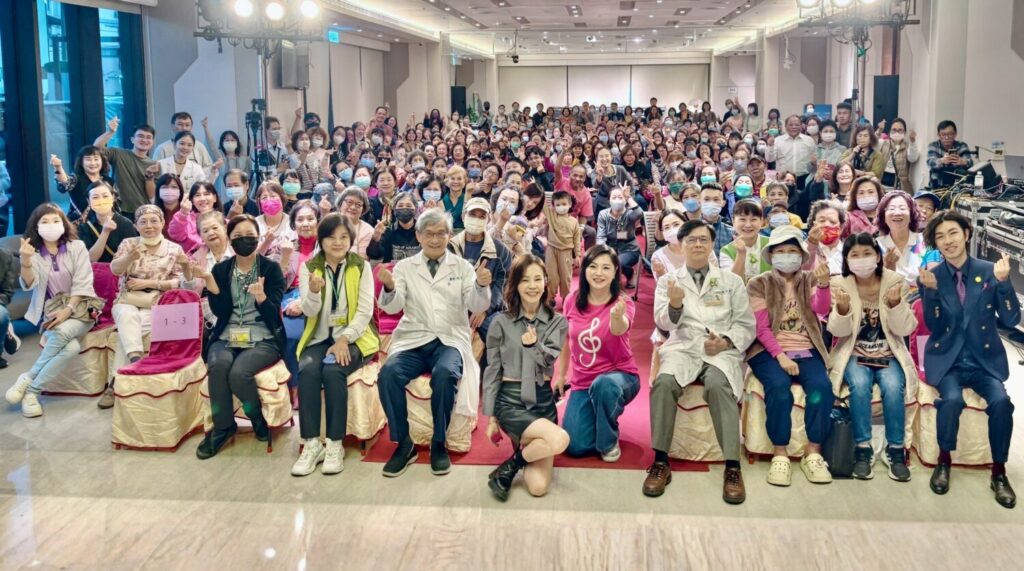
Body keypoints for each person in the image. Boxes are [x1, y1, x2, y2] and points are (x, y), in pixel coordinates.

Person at [375, 208, 492, 477]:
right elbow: (393, 307)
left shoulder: (462, 267)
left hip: (449, 338)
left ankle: (439, 442)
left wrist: (480, 285)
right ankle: (404, 443)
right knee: (388, 374)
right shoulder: (405, 267)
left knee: (445, 373)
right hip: (414, 338)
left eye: (441, 233)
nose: (435, 239)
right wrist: (390, 287)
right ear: (418, 236)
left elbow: (476, 305)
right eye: (429, 234)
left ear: (450, 235)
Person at [647, 219, 755, 502]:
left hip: (720, 350)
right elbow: (662, 324)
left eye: (703, 240)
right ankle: (660, 461)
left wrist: (726, 341)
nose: (698, 244)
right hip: (683, 347)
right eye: (691, 240)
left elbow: (746, 323)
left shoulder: (731, 281)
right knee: (663, 384)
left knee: (719, 386)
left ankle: (732, 466)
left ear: (712, 245)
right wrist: (675, 305)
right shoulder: (668, 281)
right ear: (681, 245)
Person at [918, 210, 1020, 509]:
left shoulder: (989, 271)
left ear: (966, 233)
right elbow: (934, 326)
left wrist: (1004, 282)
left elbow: (1011, 319)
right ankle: (944, 460)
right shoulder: (933, 276)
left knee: (1001, 402)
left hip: (983, 360)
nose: (948, 241)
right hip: (948, 359)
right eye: (940, 236)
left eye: (953, 233)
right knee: (950, 401)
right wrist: (931, 293)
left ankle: (999, 471)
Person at [190, 214, 285, 459]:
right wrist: (211, 284)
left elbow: (273, 313)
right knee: (218, 365)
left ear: (258, 237)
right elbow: (221, 312)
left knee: (238, 374)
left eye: (250, 236)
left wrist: (262, 298)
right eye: (238, 236)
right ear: (230, 239)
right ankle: (223, 427)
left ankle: (256, 417)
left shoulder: (270, 269)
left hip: (263, 336)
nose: (244, 240)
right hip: (227, 334)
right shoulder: (222, 269)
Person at [291, 214, 379, 477]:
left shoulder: (360, 267)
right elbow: (309, 310)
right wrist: (313, 292)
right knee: (307, 369)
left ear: (351, 240)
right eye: (331, 237)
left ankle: (334, 443)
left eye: (343, 237)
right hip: (319, 338)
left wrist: (344, 339)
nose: (338, 243)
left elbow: (364, 311)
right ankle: (311, 443)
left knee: (333, 370)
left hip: (354, 338)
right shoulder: (309, 267)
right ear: (321, 240)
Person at [746, 225, 834, 486]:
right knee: (779, 387)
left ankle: (813, 451)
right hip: (767, 351)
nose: (787, 256)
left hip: (806, 348)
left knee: (821, 388)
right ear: (772, 255)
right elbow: (761, 328)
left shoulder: (809, 279)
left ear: (801, 255)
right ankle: (780, 453)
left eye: (792, 251)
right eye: (781, 251)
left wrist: (824, 285)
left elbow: (821, 309)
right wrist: (781, 356)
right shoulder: (759, 283)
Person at [827, 232, 918, 482]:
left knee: (893, 386)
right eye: (854, 255)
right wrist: (842, 309)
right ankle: (862, 448)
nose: (861, 259)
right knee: (859, 385)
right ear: (846, 260)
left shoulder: (895, 282)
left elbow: (905, 329)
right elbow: (837, 331)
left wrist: (895, 305)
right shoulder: (840, 284)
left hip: (888, 353)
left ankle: (896, 449)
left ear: (877, 256)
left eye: (867, 253)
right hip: (854, 353)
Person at [483, 255, 570, 501]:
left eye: (537, 279)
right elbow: (492, 371)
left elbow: (548, 361)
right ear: (515, 285)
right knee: (560, 438)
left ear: (545, 282)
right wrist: (491, 418)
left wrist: (534, 346)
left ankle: (512, 464)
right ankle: (520, 455)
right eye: (524, 280)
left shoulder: (557, 322)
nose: (532, 286)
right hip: (511, 403)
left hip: (542, 402)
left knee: (538, 487)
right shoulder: (500, 322)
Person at [5, 204, 99, 417]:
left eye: (55, 220)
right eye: (45, 222)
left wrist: (68, 309)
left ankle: (29, 381)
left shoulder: (77, 247)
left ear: (63, 224)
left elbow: (83, 283)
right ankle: (31, 393)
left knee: (63, 331)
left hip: (82, 308)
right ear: (36, 227)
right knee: (71, 348)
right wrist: (26, 262)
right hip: (50, 312)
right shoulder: (34, 253)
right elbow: (29, 285)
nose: (51, 225)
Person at [557, 245, 640, 462]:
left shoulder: (623, 302)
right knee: (574, 446)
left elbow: (619, 329)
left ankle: (608, 441)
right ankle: (600, 414)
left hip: (619, 377)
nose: (599, 273)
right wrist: (561, 375)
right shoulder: (572, 300)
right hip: (583, 381)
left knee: (604, 385)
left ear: (615, 272)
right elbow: (566, 339)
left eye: (606, 268)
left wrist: (616, 316)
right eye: (593, 266)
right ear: (584, 269)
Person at [109, 205, 190, 370]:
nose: (149, 226)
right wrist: (129, 258)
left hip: (157, 302)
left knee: (129, 328)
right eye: (143, 222)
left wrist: (149, 284)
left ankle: (119, 378)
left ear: (162, 223)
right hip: (127, 299)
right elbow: (115, 270)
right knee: (126, 315)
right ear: (135, 225)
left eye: (154, 221)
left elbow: (179, 282)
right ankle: (135, 361)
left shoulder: (174, 249)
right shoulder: (128, 244)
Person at [449, 197, 511, 338]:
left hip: (488, 310)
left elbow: (503, 284)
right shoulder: (450, 246)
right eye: (472, 215)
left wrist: (484, 310)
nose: (476, 219)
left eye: (482, 216)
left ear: (488, 220)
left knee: (500, 331)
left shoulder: (500, 250)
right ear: (463, 216)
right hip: (453, 309)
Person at [93, 118, 158, 217]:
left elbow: (152, 195)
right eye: (140, 136)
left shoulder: (154, 165)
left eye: (149, 137)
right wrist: (110, 132)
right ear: (132, 140)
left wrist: (149, 177)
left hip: (143, 211)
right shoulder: (118, 154)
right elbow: (96, 148)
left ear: (152, 142)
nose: (144, 140)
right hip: (118, 209)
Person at [875, 190, 928, 289]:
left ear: (912, 214)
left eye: (902, 208)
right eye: (891, 209)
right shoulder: (876, 245)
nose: (897, 213)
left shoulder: (925, 241)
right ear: (883, 216)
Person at [76, 181, 138, 263]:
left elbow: (133, 256)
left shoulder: (126, 224)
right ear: (89, 201)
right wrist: (105, 232)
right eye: (95, 197)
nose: (101, 200)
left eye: (105, 196)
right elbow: (91, 259)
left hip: (121, 270)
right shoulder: (83, 227)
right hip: (96, 270)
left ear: (113, 197)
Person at [596, 185, 643, 289]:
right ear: (609, 201)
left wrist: (628, 197)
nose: (617, 200)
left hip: (629, 248)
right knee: (601, 259)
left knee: (617, 262)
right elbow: (601, 236)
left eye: (620, 197)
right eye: (614, 197)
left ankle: (630, 274)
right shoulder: (603, 214)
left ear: (625, 200)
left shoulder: (629, 214)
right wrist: (601, 251)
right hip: (610, 247)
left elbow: (639, 213)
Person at [51, 145, 114, 216]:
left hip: (105, 220)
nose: (93, 163)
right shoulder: (76, 178)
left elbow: (115, 205)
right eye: (88, 159)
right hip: (79, 221)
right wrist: (58, 167)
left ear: (102, 161)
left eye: (96, 159)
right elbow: (66, 182)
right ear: (81, 162)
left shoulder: (109, 181)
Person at [719, 199, 771, 283]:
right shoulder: (726, 251)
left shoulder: (771, 244)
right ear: (733, 221)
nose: (748, 225)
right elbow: (731, 284)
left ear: (761, 221)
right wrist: (741, 253)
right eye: (742, 219)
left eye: (753, 219)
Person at [544, 190, 581, 303]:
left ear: (570, 204)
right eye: (558, 205)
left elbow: (577, 239)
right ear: (553, 206)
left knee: (566, 277)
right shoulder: (552, 216)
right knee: (551, 276)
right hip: (551, 250)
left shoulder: (574, 221)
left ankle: (566, 299)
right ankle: (550, 298)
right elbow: (543, 204)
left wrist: (577, 255)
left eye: (564, 204)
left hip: (566, 252)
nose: (561, 207)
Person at [168, 182, 223, 254]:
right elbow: (175, 234)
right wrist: (183, 213)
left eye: (206, 194)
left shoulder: (223, 220)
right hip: (193, 259)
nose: (202, 198)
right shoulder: (185, 219)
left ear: (215, 198)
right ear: (192, 201)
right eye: (197, 195)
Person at [367, 192, 421, 262]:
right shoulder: (388, 230)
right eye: (400, 206)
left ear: (416, 209)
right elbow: (374, 255)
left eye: (408, 206)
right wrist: (376, 237)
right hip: (392, 268)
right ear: (394, 209)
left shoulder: (422, 230)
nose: (404, 208)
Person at [766, 115, 816, 188]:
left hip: (804, 178)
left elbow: (813, 161)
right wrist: (770, 146)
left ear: (801, 126)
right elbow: (769, 159)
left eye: (797, 125)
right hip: (783, 179)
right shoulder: (777, 140)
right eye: (791, 125)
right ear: (785, 126)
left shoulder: (809, 140)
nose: (794, 127)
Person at [804, 199, 848, 275]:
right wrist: (811, 244)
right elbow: (803, 269)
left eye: (832, 222)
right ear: (813, 225)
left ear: (841, 227)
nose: (827, 225)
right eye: (822, 221)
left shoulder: (849, 250)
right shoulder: (803, 248)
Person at [926, 120, 973, 189]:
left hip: (958, 185)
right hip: (937, 184)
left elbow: (970, 162)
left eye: (950, 134)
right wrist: (941, 161)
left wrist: (963, 162)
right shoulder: (933, 145)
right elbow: (930, 163)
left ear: (955, 134)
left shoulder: (962, 146)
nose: (947, 137)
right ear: (938, 135)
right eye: (943, 134)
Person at [882, 118, 919, 191]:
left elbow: (913, 158)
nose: (897, 132)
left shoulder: (908, 146)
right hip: (882, 186)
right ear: (890, 131)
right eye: (894, 130)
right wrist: (879, 131)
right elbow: (873, 144)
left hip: (900, 187)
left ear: (904, 132)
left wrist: (912, 141)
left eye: (900, 130)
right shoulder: (883, 143)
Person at [699, 183, 733, 258]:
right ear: (699, 202)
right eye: (706, 199)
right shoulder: (690, 230)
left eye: (716, 199)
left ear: (723, 203)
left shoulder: (731, 233)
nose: (711, 203)